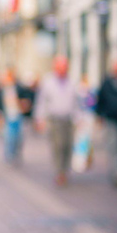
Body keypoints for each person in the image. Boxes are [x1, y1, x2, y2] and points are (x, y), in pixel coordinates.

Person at [34, 55, 81, 187]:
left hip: (68, 119)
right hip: (54, 119)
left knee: (68, 145)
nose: (63, 70)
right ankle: (59, 171)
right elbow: (41, 101)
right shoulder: (48, 82)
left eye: (65, 67)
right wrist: (39, 119)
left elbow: (76, 103)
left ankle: (65, 170)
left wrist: (79, 119)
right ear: (55, 67)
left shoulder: (71, 82)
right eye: (60, 67)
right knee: (57, 146)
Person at [95, 56, 117, 187]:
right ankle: (115, 170)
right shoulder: (107, 82)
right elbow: (101, 99)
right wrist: (99, 115)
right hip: (112, 119)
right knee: (113, 144)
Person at [0, 69, 24, 165]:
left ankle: (16, 153)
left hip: (17, 115)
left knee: (18, 137)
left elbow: (25, 98)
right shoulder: (1, 90)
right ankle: (9, 155)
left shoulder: (18, 88)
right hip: (7, 116)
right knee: (9, 137)